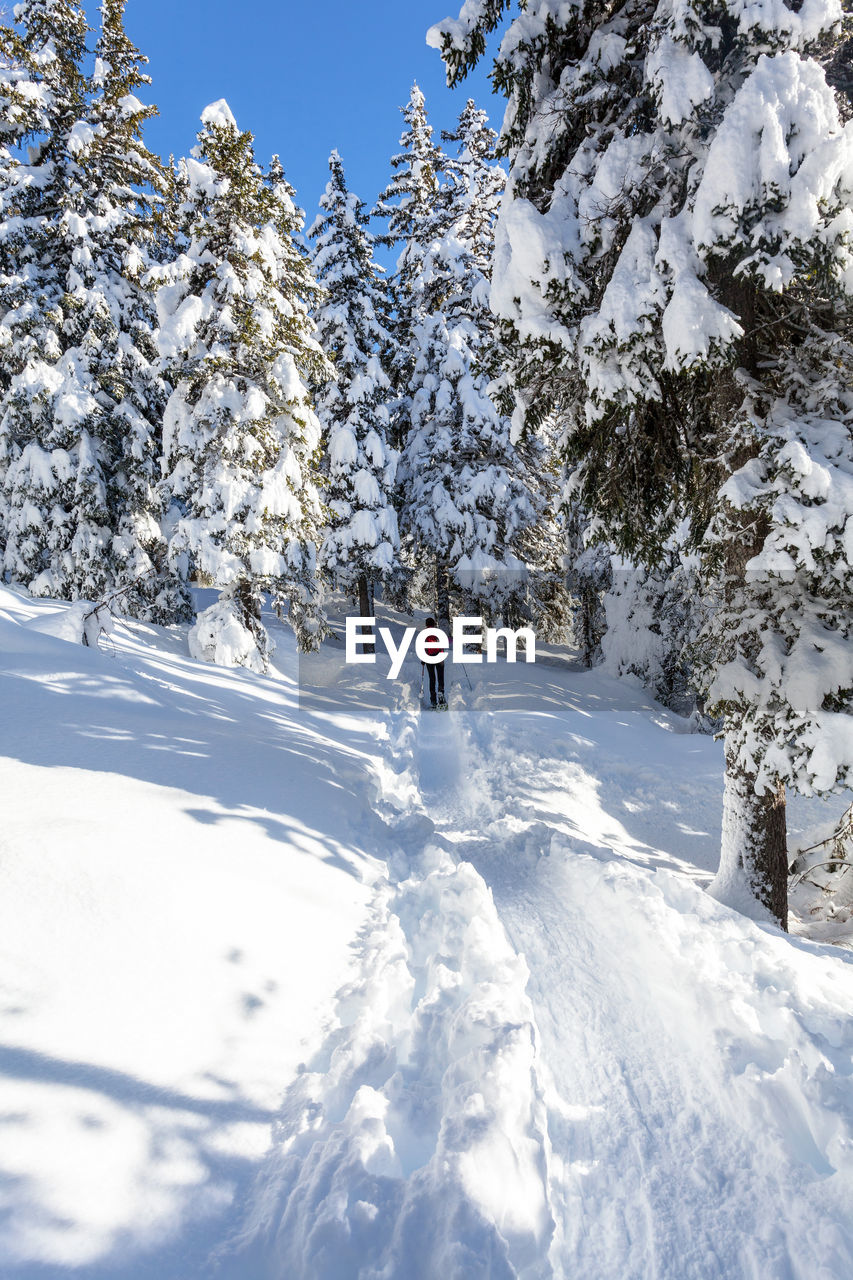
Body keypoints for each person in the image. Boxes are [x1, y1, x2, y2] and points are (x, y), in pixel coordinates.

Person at [421, 616, 448, 708]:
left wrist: (423, 660)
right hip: (439, 657)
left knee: (432, 679)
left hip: (429, 658)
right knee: (440, 678)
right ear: (434, 624)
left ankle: (433, 700)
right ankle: (441, 696)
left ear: (426, 624)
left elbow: (423, 649)